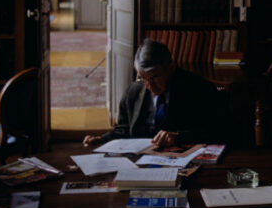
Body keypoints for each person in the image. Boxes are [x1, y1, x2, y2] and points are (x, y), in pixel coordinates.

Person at [83, 39, 224, 149]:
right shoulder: (133, 91)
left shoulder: (198, 88)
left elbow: (218, 131)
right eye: (142, 78)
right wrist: (102, 139)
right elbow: (124, 129)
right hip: (139, 156)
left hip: (181, 157)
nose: (149, 86)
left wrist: (178, 136)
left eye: (155, 77)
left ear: (171, 67)